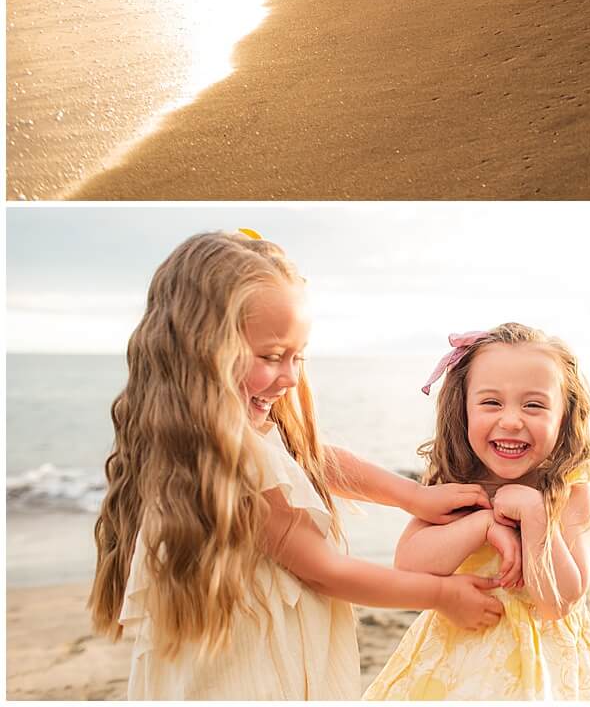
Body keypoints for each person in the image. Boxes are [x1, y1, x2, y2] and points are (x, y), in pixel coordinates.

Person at [88, 231, 505, 700]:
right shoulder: (236, 457)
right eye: (271, 357)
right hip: (248, 675)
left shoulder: (186, 434)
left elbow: (310, 458)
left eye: (298, 357)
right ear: (201, 351)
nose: (289, 376)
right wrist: (440, 596)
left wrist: (412, 496)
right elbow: (324, 570)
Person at [364, 323, 590, 701]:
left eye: (534, 405)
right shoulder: (456, 485)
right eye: (491, 402)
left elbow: (558, 601)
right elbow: (409, 566)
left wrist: (534, 515)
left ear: (564, 416)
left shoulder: (571, 493)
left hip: (540, 669)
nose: (511, 420)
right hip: (456, 660)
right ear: (462, 410)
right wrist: (481, 523)